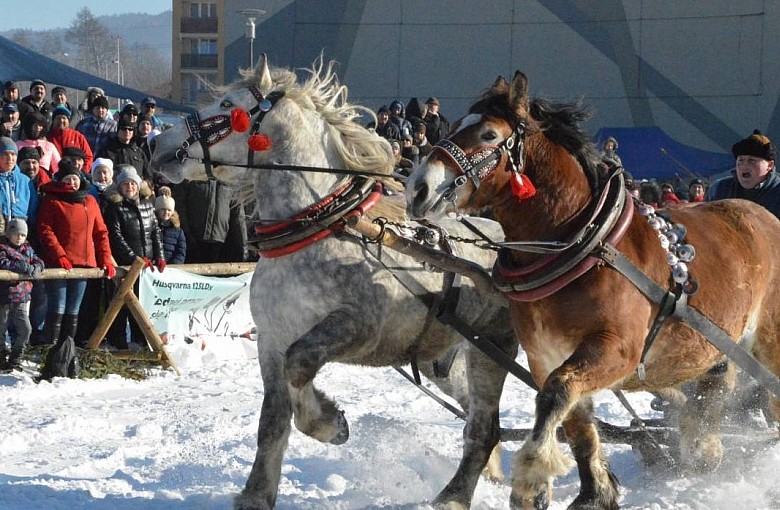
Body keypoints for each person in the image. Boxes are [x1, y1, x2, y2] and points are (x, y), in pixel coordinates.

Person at [36, 160, 114, 347]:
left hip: (84, 262)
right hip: (59, 264)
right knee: (58, 307)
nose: (72, 182)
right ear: (61, 180)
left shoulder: (90, 200)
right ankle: (50, 349)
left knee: (73, 309)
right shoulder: (52, 200)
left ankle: (67, 349)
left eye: (75, 178)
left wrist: (105, 258)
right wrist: (59, 255)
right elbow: (45, 230)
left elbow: (100, 232)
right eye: (68, 179)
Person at [103, 165, 164, 349]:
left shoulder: (148, 205)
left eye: (132, 183)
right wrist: (134, 259)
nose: (129, 187)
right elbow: (116, 237)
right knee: (120, 304)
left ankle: (141, 341)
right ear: (120, 187)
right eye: (125, 184)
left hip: (147, 267)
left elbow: (156, 232)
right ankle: (117, 343)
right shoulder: (115, 208)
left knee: (142, 304)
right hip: (125, 266)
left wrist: (160, 255)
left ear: (138, 185)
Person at [0, 219, 43, 371]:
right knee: (1, 329)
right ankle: (1, 358)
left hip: (21, 297)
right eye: (16, 234)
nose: (19, 238)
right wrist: (22, 267)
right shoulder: (3, 248)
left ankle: (16, 357)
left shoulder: (28, 249)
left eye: (23, 235)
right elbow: (3, 263)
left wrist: (37, 266)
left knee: (26, 329)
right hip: (3, 297)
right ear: (9, 233)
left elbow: (37, 259)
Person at [707, 130, 780, 219]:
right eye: (741, 160)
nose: (744, 166)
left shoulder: (777, 191)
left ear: (770, 165)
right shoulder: (719, 189)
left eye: (752, 161)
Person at [173, 179, 248, 263]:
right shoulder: (191, 175)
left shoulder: (231, 181)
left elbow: (238, 215)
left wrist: (243, 245)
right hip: (192, 240)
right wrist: (186, 233)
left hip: (220, 242)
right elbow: (179, 205)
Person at [0, 137, 38, 231]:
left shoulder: (25, 181)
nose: (10, 158)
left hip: (20, 230)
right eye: (5, 154)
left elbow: (33, 209)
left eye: (13, 154)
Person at [96, 118, 152, 183]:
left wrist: (145, 186)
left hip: (135, 188)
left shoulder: (138, 152)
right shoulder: (107, 150)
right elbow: (97, 171)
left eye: (130, 129)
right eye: (124, 129)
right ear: (118, 131)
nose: (127, 131)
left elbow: (149, 175)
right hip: (113, 189)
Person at [47, 104, 94, 173]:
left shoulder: (78, 136)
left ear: (68, 121)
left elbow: (88, 156)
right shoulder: (47, 137)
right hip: (53, 174)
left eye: (64, 118)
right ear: (53, 120)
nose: (61, 121)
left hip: (75, 175)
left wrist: (83, 172)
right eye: (58, 118)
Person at [17, 111, 60, 176]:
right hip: (22, 181)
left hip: (43, 182)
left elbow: (58, 168)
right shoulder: (17, 145)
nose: (37, 128)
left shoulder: (49, 146)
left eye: (40, 125)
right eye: (34, 125)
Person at [155, 186, 186, 264]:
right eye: (163, 209)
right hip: (155, 265)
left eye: (169, 210)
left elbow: (181, 251)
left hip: (171, 267)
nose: (166, 212)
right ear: (157, 211)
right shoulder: (153, 226)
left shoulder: (177, 230)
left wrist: (174, 265)